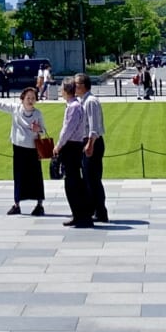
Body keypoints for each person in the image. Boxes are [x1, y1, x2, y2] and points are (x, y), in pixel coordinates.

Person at [0, 87, 48, 216]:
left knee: (36, 176)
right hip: (19, 148)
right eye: (28, 98)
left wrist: (38, 129)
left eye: (33, 98)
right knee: (19, 176)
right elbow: (0, 105)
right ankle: (17, 204)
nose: (30, 101)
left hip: (33, 149)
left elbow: (43, 130)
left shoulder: (37, 114)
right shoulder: (16, 109)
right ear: (22, 99)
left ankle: (39, 204)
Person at [52, 77, 93, 228]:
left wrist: (58, 145)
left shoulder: (73, 107)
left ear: (65, 90)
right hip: (74, 145)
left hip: (72, 146)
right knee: (73, 181)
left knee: (72, 182)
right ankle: (78, 214)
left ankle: (81, 214)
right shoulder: (74, 105)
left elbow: (67, 129)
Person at [77, 72, 109, 224]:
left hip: (92, 142)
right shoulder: (83, 101)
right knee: (90, 179)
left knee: (93, 179)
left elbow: (94, 125)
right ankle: (95, 209)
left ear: (83, 86)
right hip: (88, 141)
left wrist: (90, 143)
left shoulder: (90, 101)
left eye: (76, 85)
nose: (74, 87)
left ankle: (100, 211)